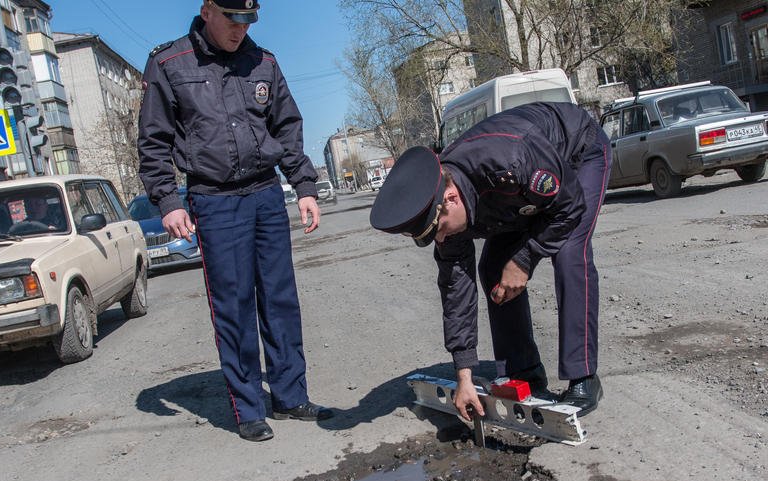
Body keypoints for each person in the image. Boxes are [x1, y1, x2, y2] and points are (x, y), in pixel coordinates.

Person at [137, 0, 333, 441]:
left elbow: (287, 127)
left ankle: (289, 395)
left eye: (249, 20)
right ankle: (249, 408)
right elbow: (153, 140)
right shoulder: (168, 63)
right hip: (214, 200)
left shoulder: (263, 62)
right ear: (207, 9)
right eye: (233, 18)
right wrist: (168, 201)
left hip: (265, 194)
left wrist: (304, 187)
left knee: (280, 300)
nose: (241, 29)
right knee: (235, 306)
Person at [369, 101, 610, 419]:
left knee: (569, 254)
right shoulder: (446, 209)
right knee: (494, 268)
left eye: (438, 230)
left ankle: (584, 377)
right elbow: (457, 294)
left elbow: (568, 206)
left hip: (577, 154)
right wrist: (463, 375)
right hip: (519, 195)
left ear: (451, 199)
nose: (441, 240)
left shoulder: (510, 157)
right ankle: (524, 373)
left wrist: (525, 258)